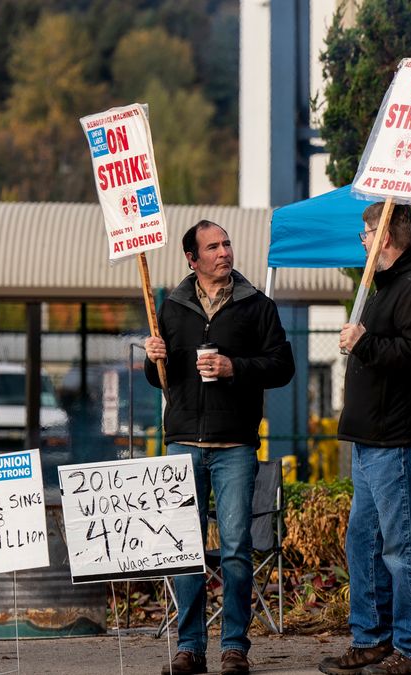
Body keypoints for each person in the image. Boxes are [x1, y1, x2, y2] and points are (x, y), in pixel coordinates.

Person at [145, 220, 295, 675]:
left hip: (235, 445)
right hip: (183, 442)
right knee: (183, 550)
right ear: (192, 259)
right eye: (213, 247)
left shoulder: (257, 306)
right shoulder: (170, 308)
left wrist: (235, 367)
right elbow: (161, 381)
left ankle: (234, 648)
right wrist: (154, 360)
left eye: (226, 244)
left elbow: (282, 366)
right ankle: (189, 647)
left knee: (234, 548)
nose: (224, 252)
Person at [319, 203, 411, 675]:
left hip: (400, 437)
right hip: (374, 437)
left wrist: (365, 343)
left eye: (367, 232)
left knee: (403, 547)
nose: (363, 241)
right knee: (364, 540)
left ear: (389, 236)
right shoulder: (397, 284)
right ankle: (373, 638)